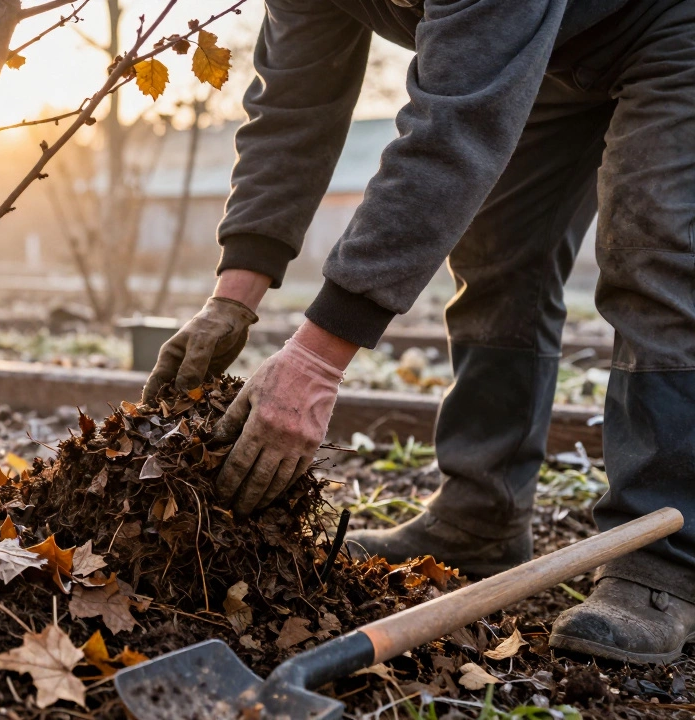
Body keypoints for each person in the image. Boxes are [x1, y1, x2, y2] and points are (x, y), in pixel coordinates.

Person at [145, 0, 695, 664]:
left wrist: (319, 356)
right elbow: (293, 107)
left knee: (653, 253)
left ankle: (658, 565)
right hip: (544, 49)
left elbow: (452, 128)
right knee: (497, 252)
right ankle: (481, 516)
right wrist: (234, 294)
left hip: (671, 28)